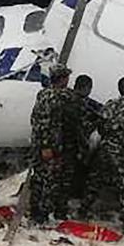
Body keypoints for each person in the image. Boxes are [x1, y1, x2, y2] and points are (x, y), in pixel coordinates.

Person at [80, 77, 124, 231]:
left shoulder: (109, 105)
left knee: (95, 181)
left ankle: (83, 209)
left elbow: (100, 126)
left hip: (104, 148)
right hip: (120, 153)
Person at [29, 65, 74, 224]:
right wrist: (46, 146)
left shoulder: (43, 94)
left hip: (38, 144)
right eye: (66, 77)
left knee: (39, 177)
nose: (68, 80)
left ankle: (35, 210)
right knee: (49, 180)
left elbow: (34, 119)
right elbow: (44, 122)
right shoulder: (53, 97)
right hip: (48, 146)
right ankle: (42, 213)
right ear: (61, 79)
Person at [68, 74, 102, 199]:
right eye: (90, 88)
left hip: (72, 141)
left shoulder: (76, 99)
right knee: (78, 169)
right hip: (75, 142)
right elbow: (79, 124)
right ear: (85, 88)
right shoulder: (76, 102)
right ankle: (73, 195)